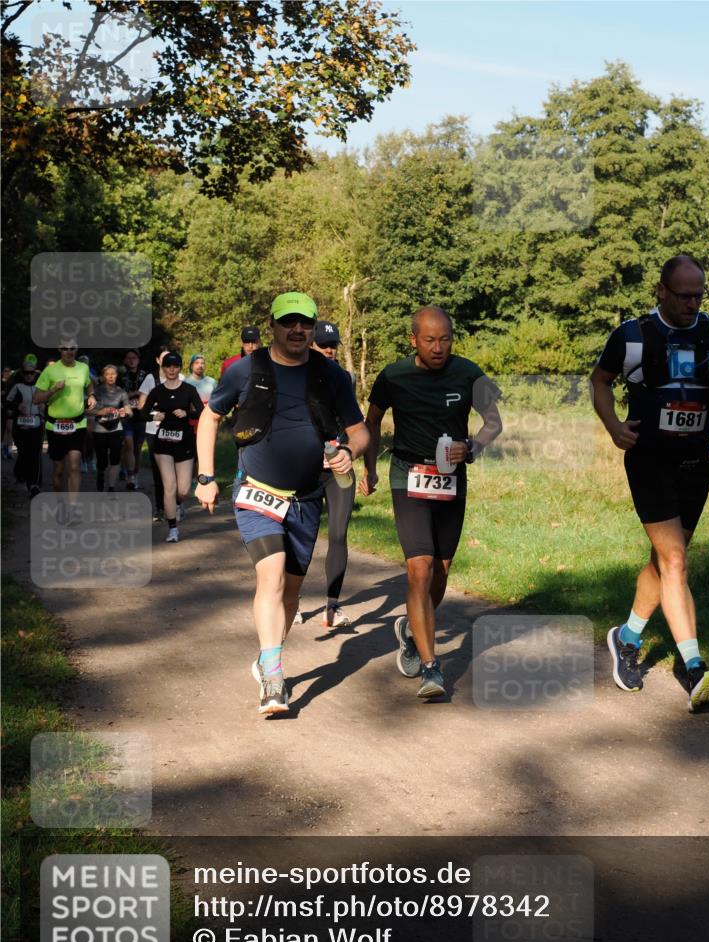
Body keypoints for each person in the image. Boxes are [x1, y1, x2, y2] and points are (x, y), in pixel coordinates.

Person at [195, 292, 368, 715]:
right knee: (270, 577)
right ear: (271, 324)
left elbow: (360, 431)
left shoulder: (332, 376)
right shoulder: (244, 371)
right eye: (288, 322)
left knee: (291, 593)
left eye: (305, 323)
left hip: (307, 498)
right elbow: (210, 416)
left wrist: (351, 451)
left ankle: (266, 655)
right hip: (257, 491)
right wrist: (204, 476)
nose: (297, 330)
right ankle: (274, 680)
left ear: (312, 327)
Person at [591, 254, 709, 712]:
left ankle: (627, 637)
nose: (692, 303)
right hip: (649, 459)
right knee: (675, 559)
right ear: (661, 290)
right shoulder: (633, 336)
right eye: (683, 295)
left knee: (664, 563)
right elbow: (599, 381)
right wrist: (613, 425)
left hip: (697, 463)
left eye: (699, 294)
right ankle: (694, 668)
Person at [359, 306, 502, 700]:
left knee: (440, 573)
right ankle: (431, 667)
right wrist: (369, 469)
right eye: (429, 340)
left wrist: (472, 446)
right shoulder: (393, 375)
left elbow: (494, 421)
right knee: (419, 570)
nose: (438, 348)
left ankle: (410, 628)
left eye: (445, 339)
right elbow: (371, 422)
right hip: (408, 476)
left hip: (451, 480)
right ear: (413, 340)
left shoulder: (469, 373)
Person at [297, 320, 358, 627]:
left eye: (333, 345)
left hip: (338, 466)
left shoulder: (346, 377)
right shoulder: (294, 376)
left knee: (338, 533)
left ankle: (332, 605)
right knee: (299, 538)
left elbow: (354, 424)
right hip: (304, 469)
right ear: (311, 345)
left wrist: (347, 451)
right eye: (324, 345)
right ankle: (290, 599)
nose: (330, 350)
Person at [140, 353, 203, 542]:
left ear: (180, 368)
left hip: (184, 441)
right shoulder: (157, 391)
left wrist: (187, 412)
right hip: (163, 442)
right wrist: (153, 416)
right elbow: (142, 412)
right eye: (168, 366)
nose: (172, 370)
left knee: (183, 490)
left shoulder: (189, 390)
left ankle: (176, 504)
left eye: (175, 366)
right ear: (163, 368)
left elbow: (201, 411)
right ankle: (173, 529)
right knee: (169, 486)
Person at [33, 338, 96, 509]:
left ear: (77, 349)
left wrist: (91, 396)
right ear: (59, 349)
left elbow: (89, 385)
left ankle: (73, 507)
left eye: (73, 348)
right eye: (65, 348)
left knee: (75, 465)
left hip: (78, 424)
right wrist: (53, 389)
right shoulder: (50, 371)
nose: (69, 351)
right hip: (55, 426)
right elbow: (36, 399)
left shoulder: (83, 368)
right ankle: (60, 503)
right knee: (58, 469)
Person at [137, 349, 185, 521]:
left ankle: (177, 504)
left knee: (178, 470)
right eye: (165, 360)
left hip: (177, 430)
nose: (169, 365)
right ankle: (159, 507)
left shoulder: (183, 379)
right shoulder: (151, 379)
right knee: (159, 471)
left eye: (172, 361)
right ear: (159, 361)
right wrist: (154, 413)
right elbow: (142, 405)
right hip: (154, 430)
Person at [6, 358, 44, 495]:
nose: (29, 375)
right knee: (23, 453)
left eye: (31, 373)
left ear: (35, 373)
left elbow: (49, 401)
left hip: (36, 425)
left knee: (35, 454)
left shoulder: (41, 387)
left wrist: (43, 408)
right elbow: (6, 402)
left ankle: (34, 484)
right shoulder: (17, 387)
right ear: (22, 373)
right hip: (20, 426)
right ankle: (19, 476)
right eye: (26, 373)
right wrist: (17, 407)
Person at [92, 365, 131, 492]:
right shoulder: (96, 392)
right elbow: (87, 410)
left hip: (116, 428)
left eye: (113, 374)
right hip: (100, 429)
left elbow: (129, 410)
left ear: (117, 376)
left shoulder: (121, 392)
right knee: (102, 459)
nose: (110, 376)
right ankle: (101, 474)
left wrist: (126, 413)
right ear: (103, 376)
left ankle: (111, 486)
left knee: (115, 458)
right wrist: (100, 412)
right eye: (107, 374)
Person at [119, 349, 148, 490]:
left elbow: (149, 393)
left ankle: (136, 474)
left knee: (137, 448)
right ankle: (130, 476)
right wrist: (136, 393)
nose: (131, 360)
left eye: (134, 358)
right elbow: (118, 395)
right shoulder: (121, 376)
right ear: (125, 360)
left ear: (138, 360)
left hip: (141, 415)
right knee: (129, 445)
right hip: (126, 415)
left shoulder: (145, 376)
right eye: (129, 358)